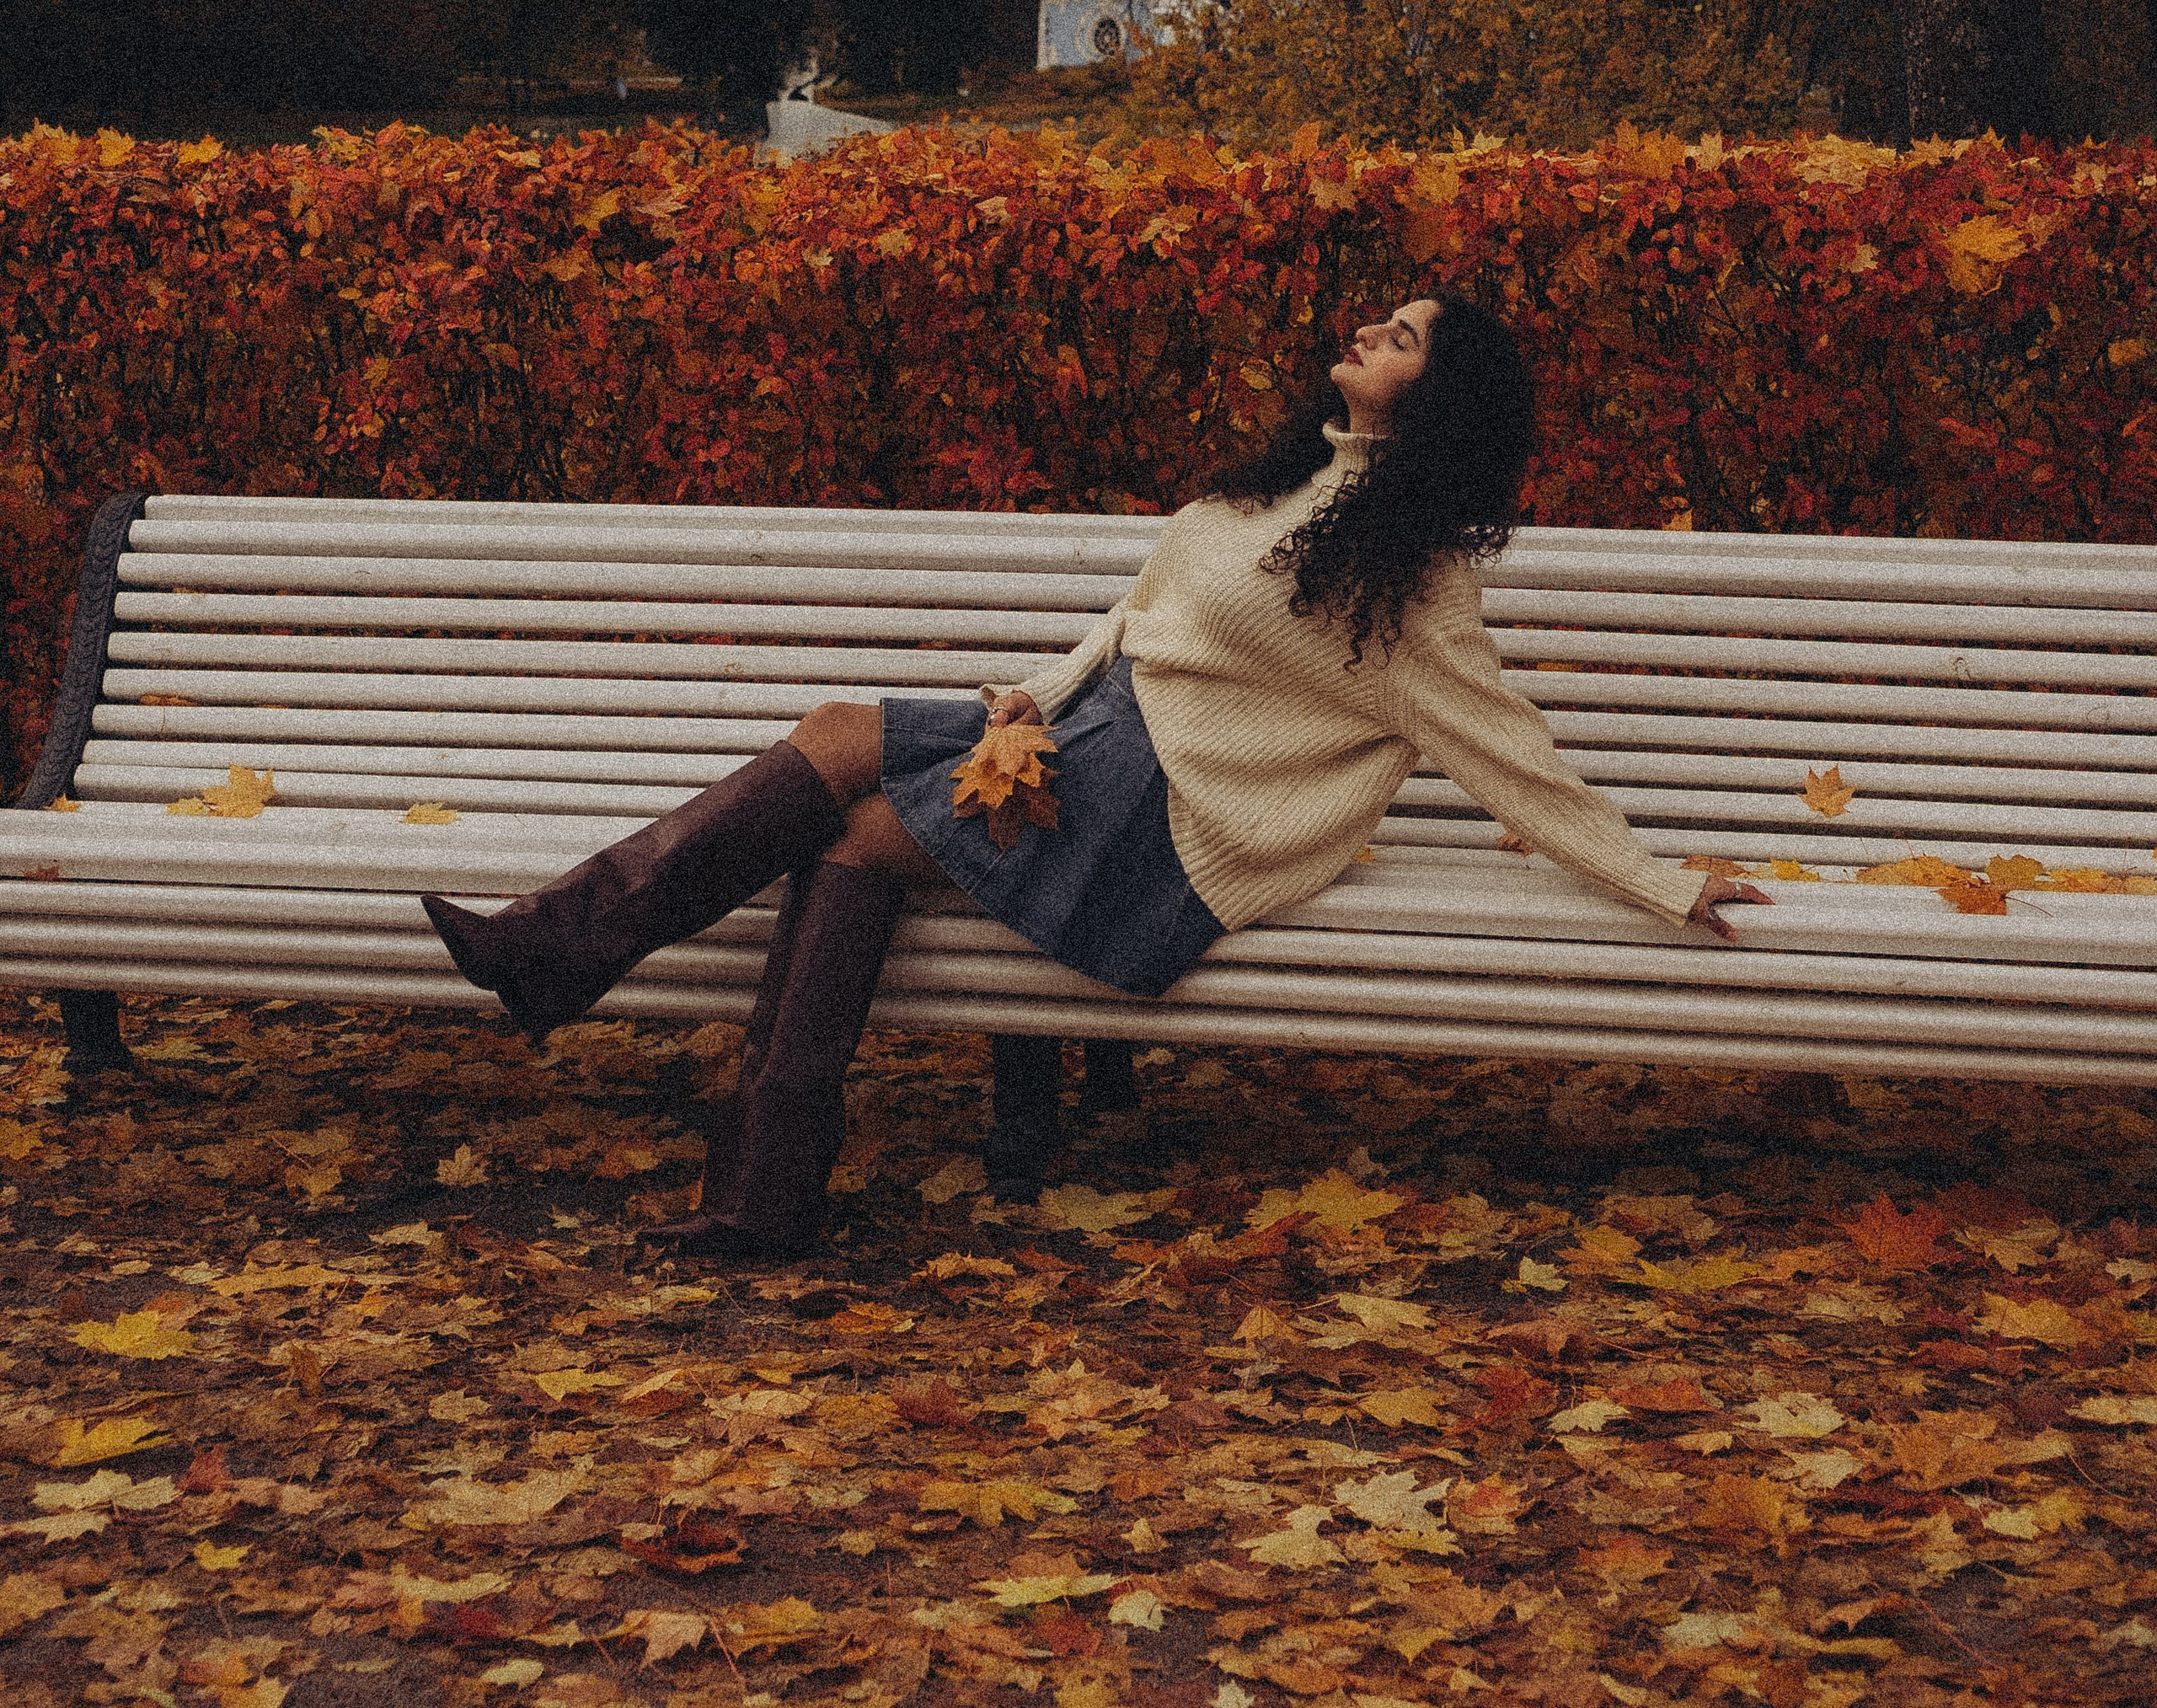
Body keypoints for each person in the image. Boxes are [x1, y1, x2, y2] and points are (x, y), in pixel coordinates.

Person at [421, 292, 1765, 1257]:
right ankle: (559, 955)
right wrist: (1029, 695)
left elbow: (1506, 750)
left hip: (1163, 818)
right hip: (1090, 733)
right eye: (1382, 322)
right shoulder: (1280, 485)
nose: (1367, 333)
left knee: (859, 842)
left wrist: (1659, 884)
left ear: (1436, 398)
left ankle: (757, 1188)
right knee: (836, 732)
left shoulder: (1411, 578)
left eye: (1401, 338)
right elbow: (1136, 624)